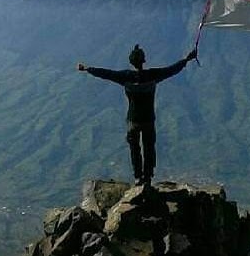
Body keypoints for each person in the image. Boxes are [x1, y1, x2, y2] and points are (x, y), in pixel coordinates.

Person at [77, 44, 198, 186]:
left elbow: (106, 73)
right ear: (144, 61)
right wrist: (187, 59)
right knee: (149, 148)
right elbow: (171, 70)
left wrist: (87, 69)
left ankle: (137, 177)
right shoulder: (152, 75)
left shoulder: (125, 77)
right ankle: (148, 177)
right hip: (148, 120)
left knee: (134, 149)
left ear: (131, 62)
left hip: (133, 121)